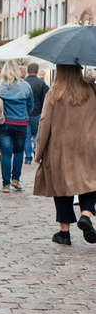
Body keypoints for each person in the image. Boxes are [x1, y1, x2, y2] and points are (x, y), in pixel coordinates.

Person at [33, 65, 96, 245]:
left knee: (61, 188)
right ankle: (86, 214)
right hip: (89, 144)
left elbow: (44, 124)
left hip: (60, 148)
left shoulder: (54, 94)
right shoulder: (92, 89)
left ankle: (64, 233)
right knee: (91, 182)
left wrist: (39, 151)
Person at [0, 61, 33, 193]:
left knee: (6, 154)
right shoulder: (26, 86)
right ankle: (16, 180)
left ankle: (6, 184)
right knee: (19, 152)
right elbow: (30, 106)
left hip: (4, 124)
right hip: (21, 124)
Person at [23, 62, 49, 164]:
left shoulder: (23, 83)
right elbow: (45, 99)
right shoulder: (42, 84)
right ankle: (36, 152)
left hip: (26, 113)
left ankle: (28, 158)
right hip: (38, 113)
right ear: (37, 71)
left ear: (27, 71)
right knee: (37, 134)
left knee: (27, 136)